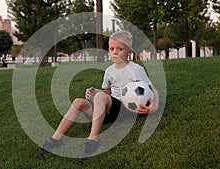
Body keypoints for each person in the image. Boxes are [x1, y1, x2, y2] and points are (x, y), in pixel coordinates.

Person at [35, 30, 159, 159]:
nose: (114, 52)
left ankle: (92, 141)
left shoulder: (136, 69)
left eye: (120, 49)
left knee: (100, 98)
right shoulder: (109, 71)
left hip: (126, 109)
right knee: (78, 101)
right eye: (111, 48)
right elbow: (107, 93)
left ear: (129, 52)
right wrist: (95, 92)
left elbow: (152, 89)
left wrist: (154, 106)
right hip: (110, 111)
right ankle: (55, 139)